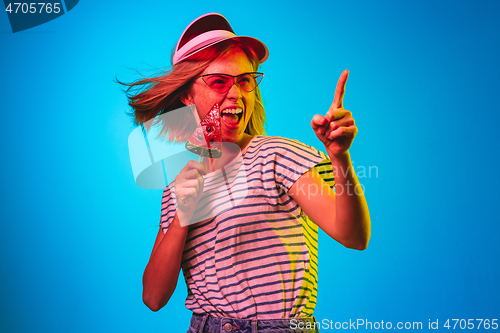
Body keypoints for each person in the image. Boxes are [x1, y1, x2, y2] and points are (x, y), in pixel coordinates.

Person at [122, 13, 370, 333]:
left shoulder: (277, 157)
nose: (237, 94)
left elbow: (353, 236)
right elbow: (153, 297)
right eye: (219, 81)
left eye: (246, 80)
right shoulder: (177, 187)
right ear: (186, 94)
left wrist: (340, 159)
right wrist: (183, 214)